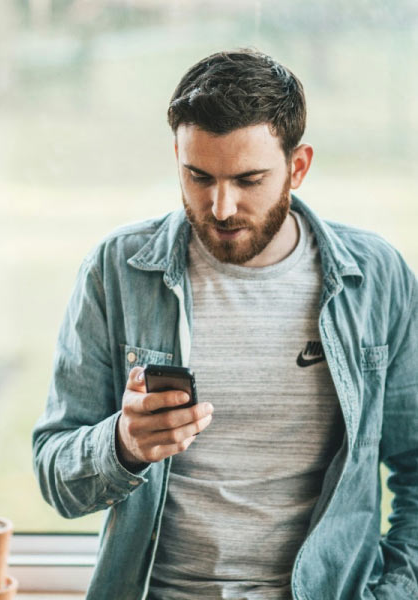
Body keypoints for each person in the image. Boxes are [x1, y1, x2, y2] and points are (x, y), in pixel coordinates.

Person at [32, 49, 418, 600]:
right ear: (177, 158)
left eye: (248, 179)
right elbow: (55, 475)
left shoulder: (378, 279)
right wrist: (122, 445)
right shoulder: (116, 271)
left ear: (298, 167)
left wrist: (396, 592)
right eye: (198, 176)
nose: (219, 206)